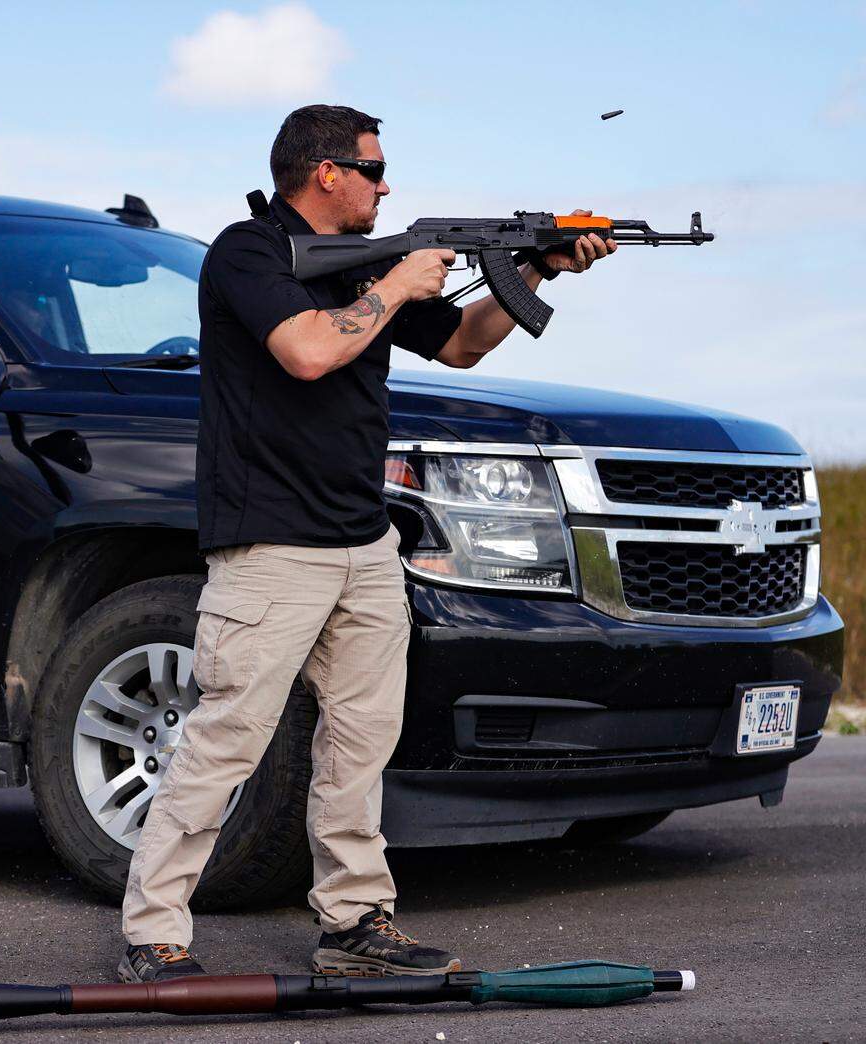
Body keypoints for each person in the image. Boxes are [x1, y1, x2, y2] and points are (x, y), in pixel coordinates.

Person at [118, 104, 616, 983]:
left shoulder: (374, 262)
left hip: (363, 543)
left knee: (359, 748)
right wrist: (394, 285)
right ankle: (153, 934)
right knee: (225, 741)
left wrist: (535, 269)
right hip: (271, 547)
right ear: (325, 173)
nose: (387, 186)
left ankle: (355, 926)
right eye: (374, 170)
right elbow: (308, 352)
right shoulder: (249, 252)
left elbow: (462, 346)